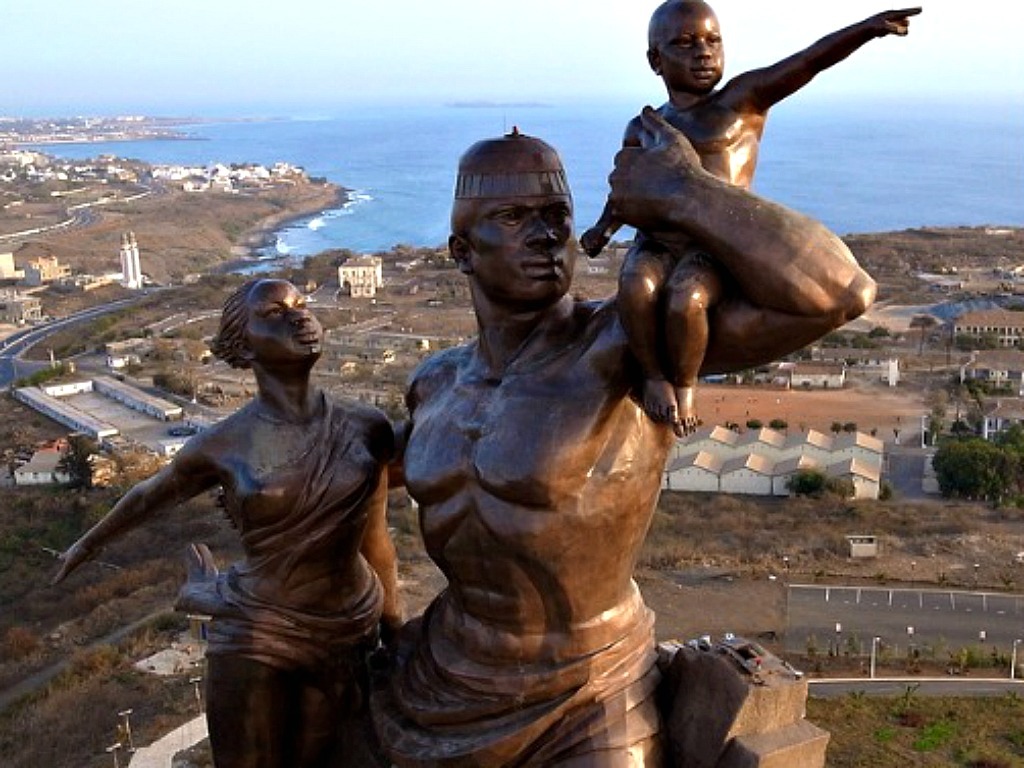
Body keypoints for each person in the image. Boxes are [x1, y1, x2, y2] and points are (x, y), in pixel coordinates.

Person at [371, 117, 874, 766]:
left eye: (557, 213)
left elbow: (842, 291)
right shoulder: (433, 383)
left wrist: (687, 192)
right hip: (437, 677)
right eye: (516, 217)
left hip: (589, 693)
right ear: (462, 251)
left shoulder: (626, 350)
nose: (548, 234)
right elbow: (355, 481)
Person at [53, 278, 401, 768]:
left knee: (335, 756)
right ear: (243, 346)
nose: (299, 316)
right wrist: (85, 546)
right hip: (257, 633)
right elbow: (147, 497)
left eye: (302, 305)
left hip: (349, 626)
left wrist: (395, 626)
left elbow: (376, 536)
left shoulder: (366, 425)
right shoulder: (222, 444)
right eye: (275, 313)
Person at [580, 1, 920, 435]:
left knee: (687, 299)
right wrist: (603, 229)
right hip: (658, 240)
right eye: (684, 44)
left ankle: (684, 384)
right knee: (635, 286)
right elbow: (628, 186)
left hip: (715, 246)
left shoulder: (742, 100)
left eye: (712, 41)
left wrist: (866, 29)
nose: (702, 52)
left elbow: (807, 62)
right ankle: (652, 376)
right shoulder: (646, 125)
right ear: (655, 60)